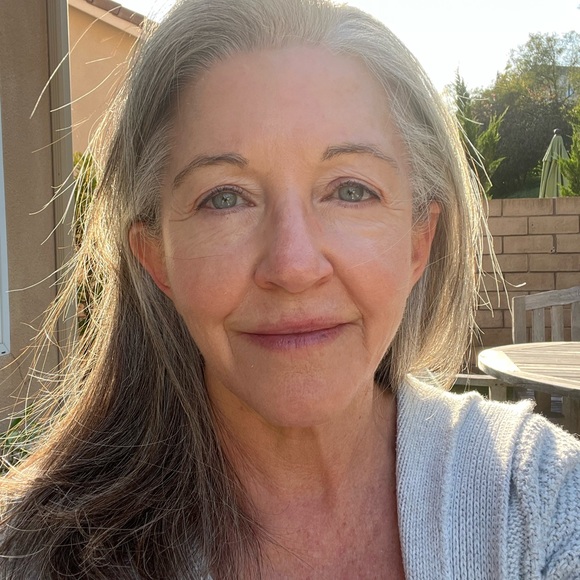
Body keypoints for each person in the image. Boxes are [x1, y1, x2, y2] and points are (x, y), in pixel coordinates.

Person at [1, 0, 579, 577]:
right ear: (156, 258)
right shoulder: (36, 554)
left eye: (350, 191)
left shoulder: (540, 501)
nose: (294, 266)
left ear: (418, 241)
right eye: (224, 198)